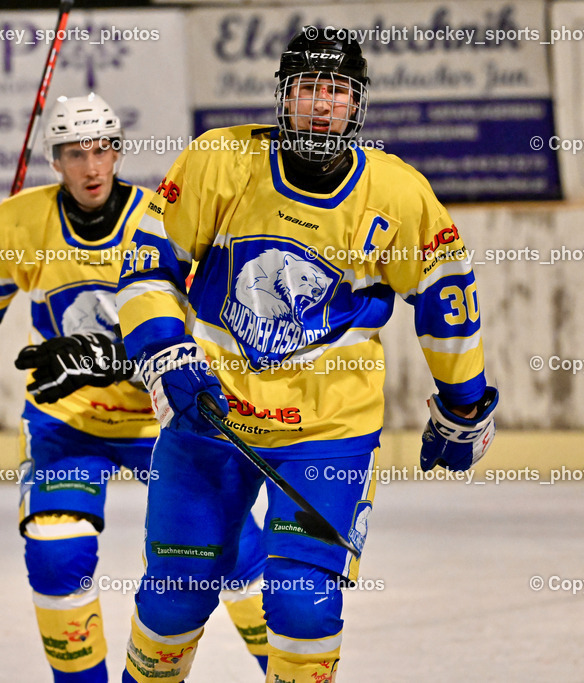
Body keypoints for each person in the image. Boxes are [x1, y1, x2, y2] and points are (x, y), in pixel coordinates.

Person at [116, 27, 498, 683]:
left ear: (358, 104)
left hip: (328, 431)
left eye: (337, 91)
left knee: (304, 601)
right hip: (212, 419)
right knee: (173, 595)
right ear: (283, 98)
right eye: (308, 89)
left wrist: (465, 403)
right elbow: (145, 265)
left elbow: (446, 293)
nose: (322, 105)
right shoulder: (218, 161)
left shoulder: (398, 193)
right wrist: (164, 352)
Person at [0, 93, 270, 682]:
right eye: (74, 154)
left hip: (163, 417)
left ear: (117, 152)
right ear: (53, 160)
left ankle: (285, 669)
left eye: (102, 150)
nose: (91, 168)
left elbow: (182, 324)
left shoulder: (163, 218)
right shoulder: (19, 222)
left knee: (239, 554)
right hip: (69, 423)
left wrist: (98, 354)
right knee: (54, 550)